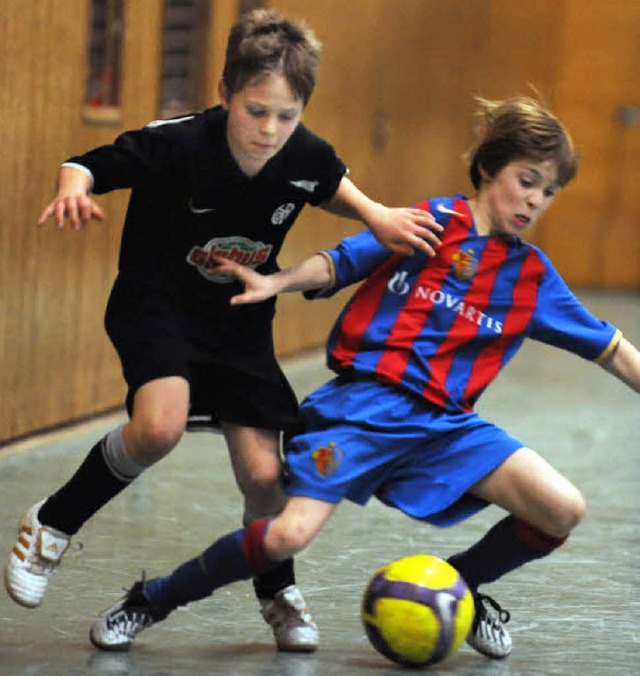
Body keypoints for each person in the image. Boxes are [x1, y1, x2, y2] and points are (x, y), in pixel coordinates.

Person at [4, 8, 442, 653]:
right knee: (159, 427)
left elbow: (330, 181)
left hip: (238, 323)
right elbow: (86, 162)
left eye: (285, 116)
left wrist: (376, 215)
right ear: (224, 94)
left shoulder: (305, 153)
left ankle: (276, 591)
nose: (269, 129)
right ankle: (52, 523)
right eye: (254, 110)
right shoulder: (178, 142)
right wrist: (73, 187)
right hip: (156, 305)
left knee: (266, 478)